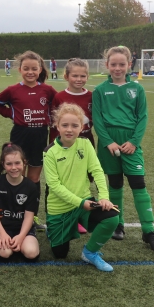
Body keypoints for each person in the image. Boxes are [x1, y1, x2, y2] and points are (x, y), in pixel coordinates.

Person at [92, 46, 154, 252]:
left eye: (122, 64)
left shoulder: (137, 89)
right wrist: (108, 142)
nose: (117, 68)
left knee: (138, 184)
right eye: (113, 64)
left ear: (129, 65)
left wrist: (134, 141)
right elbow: (97, 119)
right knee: (114, 184)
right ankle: (118, 225)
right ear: (107, 65)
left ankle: (149, 231)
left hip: (131, 144)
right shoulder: (99, 90)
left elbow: (142, 117)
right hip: (109, 144)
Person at [44, 103, 119, 271]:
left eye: (74, 125)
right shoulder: (50, 152)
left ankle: (90, 253)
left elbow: (97, 170)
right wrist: (80, 203)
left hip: (84, 201)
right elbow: (54, 185)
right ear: (57, 126)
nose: (69, 129)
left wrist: (104, 197)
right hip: (60, 208)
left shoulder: (85, 144)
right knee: (60, 254)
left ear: (82, 127)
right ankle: (54, 230)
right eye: (65, 125)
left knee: (112, 217)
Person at [0, 50, 56, 228]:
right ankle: (12, 215)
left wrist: (50, 118)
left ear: (40, 69)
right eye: (26, 68)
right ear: (20, 69)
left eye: (34, 69)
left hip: (40, 137)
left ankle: (32, 218)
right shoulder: (12, 90)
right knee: (16, 176)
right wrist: (12, 114)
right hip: (20, 136)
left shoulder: (47, 90)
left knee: (34, 179)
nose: (30, 72)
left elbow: (57, 105)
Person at [49, 58, 93, 235]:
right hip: (64, 146)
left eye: (83, 76)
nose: (79, 79)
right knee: (62, 180)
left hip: (85, 143)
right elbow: (54, 123)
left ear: (87, 76)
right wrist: (53, 145)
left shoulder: (91, 96)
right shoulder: (59, 97)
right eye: (75, 75)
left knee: (83, 180)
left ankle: (78, 216)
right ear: (66, 76)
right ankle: (59, 218)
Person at [0, 143, 39, 263]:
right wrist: (2, 234)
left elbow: (29, 216)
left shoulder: (31, 187)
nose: (14, 167)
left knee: (31, 253)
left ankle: (20, 244)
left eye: (17, 163)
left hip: (23, 230)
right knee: (5, 253)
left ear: (24, 163)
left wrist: (21, 237)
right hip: (2, 228)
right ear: (3, 164)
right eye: (9, 164)